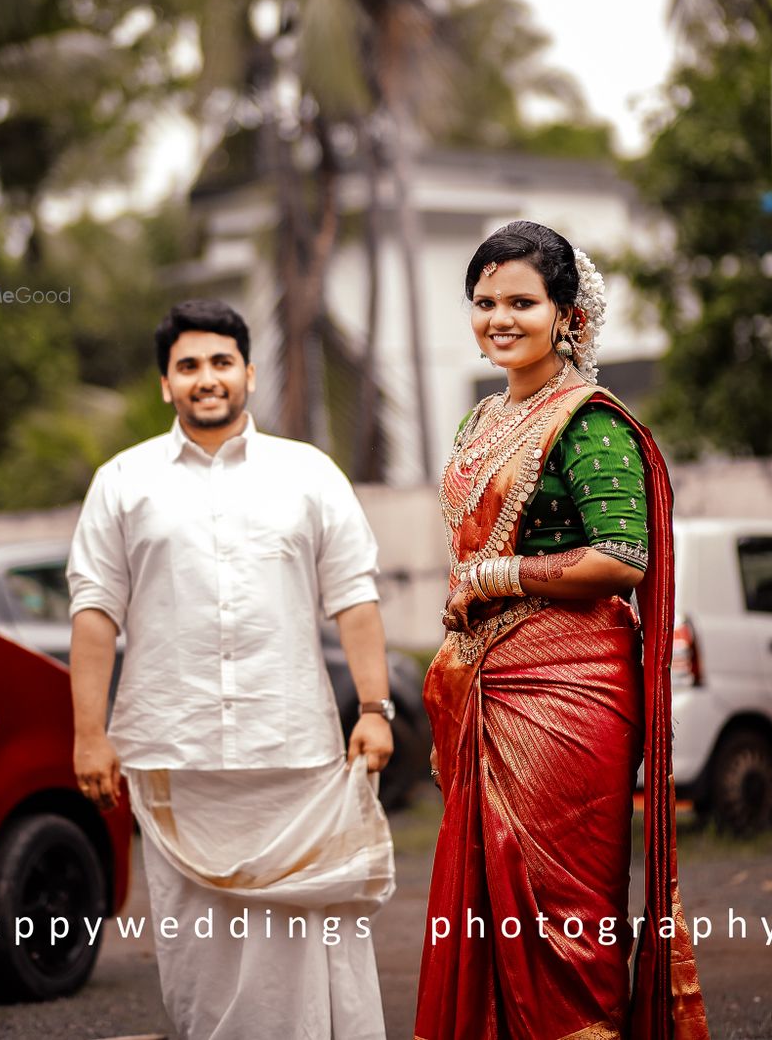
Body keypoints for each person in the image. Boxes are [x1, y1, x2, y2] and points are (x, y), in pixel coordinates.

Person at [68, 298, 396, 1040]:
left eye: (221, 362)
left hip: (295, 755)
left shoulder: (307, 474)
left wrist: (374, 711)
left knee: (309, 949)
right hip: (173, 757)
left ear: (249, 372)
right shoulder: (122, 482)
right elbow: (94, 614)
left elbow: (355, 597)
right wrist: (90, 734)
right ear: (165, 384)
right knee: (201, 960)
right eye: (188, 366)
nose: (206, 379)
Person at [414, 222, 710, 1040]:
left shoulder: (589, 421)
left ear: (567, 315)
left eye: (521, 302)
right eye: (483, 302)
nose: (499, 318)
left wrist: (499, 576)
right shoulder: (477, 421)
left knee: (564, 918)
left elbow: (623, 556)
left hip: (567, 694)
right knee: (486, 905)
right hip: (486, 686)